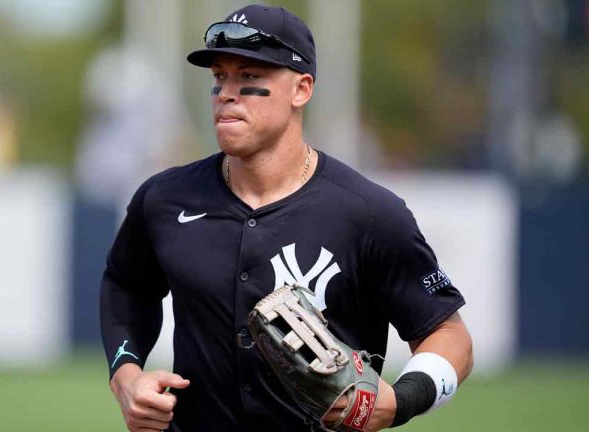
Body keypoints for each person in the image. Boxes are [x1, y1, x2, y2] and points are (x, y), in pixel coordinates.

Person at [100, 4, 473, 431]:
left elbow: (451, 336)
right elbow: (125, 283)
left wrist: (401, 401)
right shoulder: (164, 199)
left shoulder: (369, 214)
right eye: (219, 77)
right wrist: (126, 375)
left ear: (301, 89)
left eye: (250, 77)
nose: (226, 92)